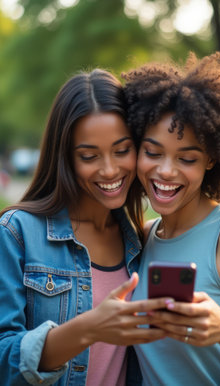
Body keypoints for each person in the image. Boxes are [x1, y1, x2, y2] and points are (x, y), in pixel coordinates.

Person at [0, 69, 169, 386]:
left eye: (121, 151)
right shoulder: (16, 233)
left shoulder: (139, 240)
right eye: (89, 156)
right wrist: (88, 327)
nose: (109, 169)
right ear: (65, 157)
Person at [123, 52, 220, 385]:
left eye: (187, 158)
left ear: (211, 160)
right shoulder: (139, 238)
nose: (166, 171)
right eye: (153, 152)